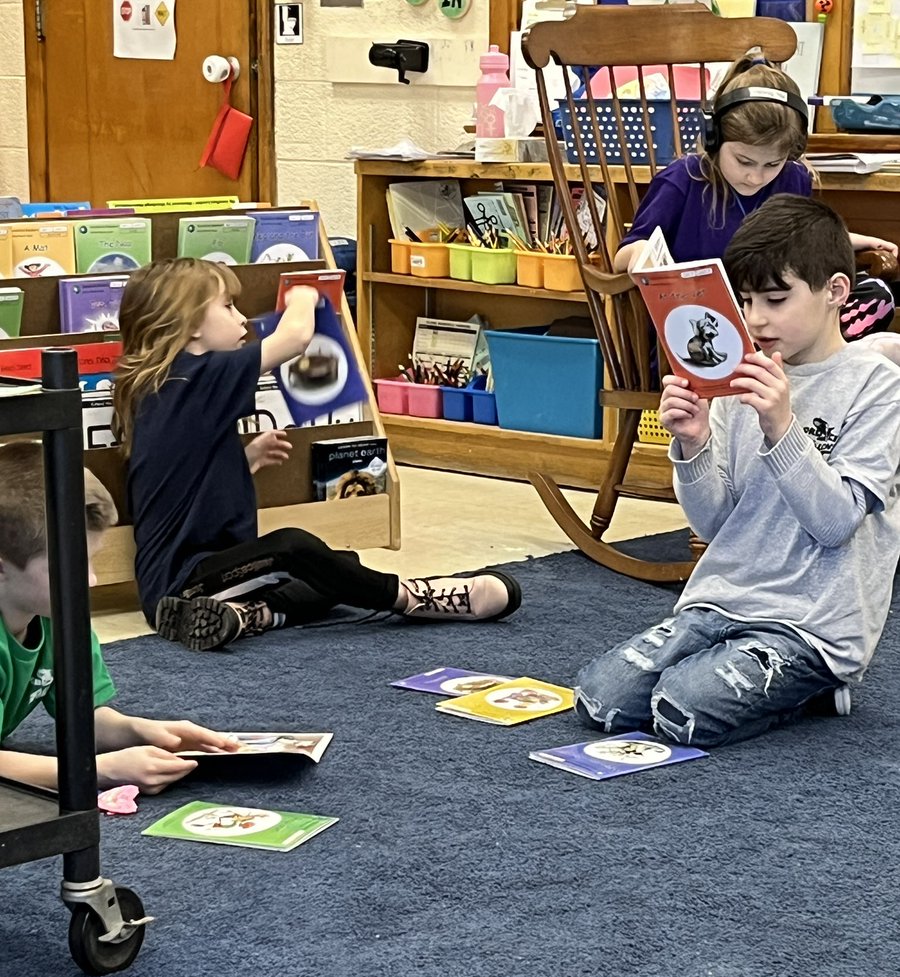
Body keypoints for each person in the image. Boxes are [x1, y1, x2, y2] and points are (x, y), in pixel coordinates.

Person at [575, 195, 900, 748]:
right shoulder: (735, 374)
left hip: (811, 626)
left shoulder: (877, 386)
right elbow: (715, 524)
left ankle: (819, 689)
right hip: (721, 600)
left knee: (682, 711)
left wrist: (781, 427)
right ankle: (747, 671)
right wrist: (694, 444)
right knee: (601, 700)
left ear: (835, 292)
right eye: (745, 300)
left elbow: (835, 525)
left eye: (776, 299)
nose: (755, 319)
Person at [112, 259, 520, 651]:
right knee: (296, 548)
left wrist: (246, 459)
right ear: (188, 325)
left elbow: (183, 477)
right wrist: (304, 297)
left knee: (337, 566)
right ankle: (413, 597)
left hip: (203, 576)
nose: (242, 319)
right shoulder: (192, 377)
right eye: (228, 306)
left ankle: (251, 615)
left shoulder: (167, 388)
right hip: (182, 583)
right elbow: (294, 338)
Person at [0, 441, 240, 794]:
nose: (91, 580)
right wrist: (98, 771)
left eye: (90, 560)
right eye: (68, 566)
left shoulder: (60, 616)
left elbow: (84, 716)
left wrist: (141, 731)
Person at [613, 52, 898, 340]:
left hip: (774, 319)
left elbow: (805, 241)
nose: (756, 177)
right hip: (701, 329)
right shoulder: (682, 180)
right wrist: (639, 253)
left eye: (772, 164)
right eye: (744, 161)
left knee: (876, 295)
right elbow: (623, 256)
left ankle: (795, 356)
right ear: (714, 138)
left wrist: (853, 240)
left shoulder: (793, 178)